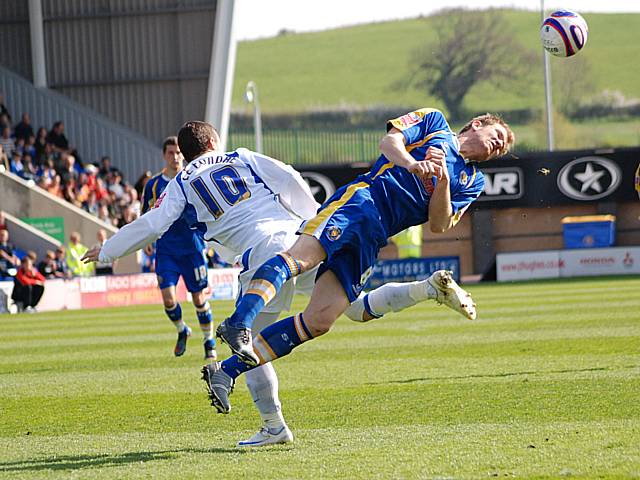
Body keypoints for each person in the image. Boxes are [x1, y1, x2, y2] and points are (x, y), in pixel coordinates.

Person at [82, 120, 475, 447]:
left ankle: (273, 425)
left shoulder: (178, 185)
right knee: (350, 309)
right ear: (214, 140)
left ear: (183, 153)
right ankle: (427, 289)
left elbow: (152, 224)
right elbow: (287, 175)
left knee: (252, 337)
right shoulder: (240, 155)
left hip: (260, 252)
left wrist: (106, 252)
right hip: (296, 232)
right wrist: (313, 220)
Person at [205, 108, 514, 419]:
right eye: (497, 136)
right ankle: (238, 321)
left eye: (503, 147)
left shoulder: (472, 181)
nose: (499, 146)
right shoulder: (435, 123)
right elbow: (389, 143)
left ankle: (226, 371)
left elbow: (439, 223)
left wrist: (443, 179)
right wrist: (413, 164)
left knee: (320, 320)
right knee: (299, 259)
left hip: (377, 234)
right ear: (476, 125)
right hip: (361, 202)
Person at [139, 136, 215, 360]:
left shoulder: (194, 180)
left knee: (199, 299)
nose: (176, 157)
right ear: (164, 155)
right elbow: (146, 215)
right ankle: (182, 329)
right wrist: (145, 241)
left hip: (192, 248)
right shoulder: (153, 185)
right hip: (166, 250)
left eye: (179, 153)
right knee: (169, 300)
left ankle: (208, 341)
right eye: (171, 153)